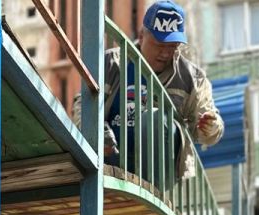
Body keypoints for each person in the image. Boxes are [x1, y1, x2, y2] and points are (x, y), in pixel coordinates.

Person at [72, 1, 223, 180]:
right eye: (159, 45)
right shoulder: (110, 62)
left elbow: (210, 130)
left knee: (155, 117)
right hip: (109, 166)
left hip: (160, 175)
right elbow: (82, 105)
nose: (165, 53)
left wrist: (211, 127)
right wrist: (95, 131)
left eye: (172, 46)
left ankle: (151, 186)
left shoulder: (193, 78)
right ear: (142, 36)